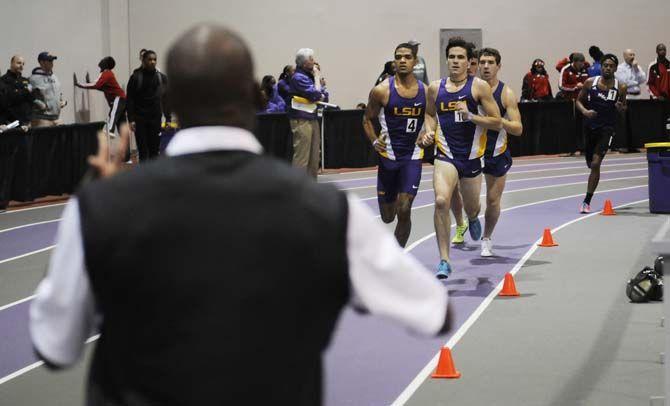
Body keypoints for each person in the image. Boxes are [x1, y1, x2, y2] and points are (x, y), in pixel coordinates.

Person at [29, 23, 451, 406]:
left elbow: (55, 345)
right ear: (257, 96)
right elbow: (433, 311)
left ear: (170, 102)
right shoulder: (326, 211)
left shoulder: (102, 206)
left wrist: (91, 205)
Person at [423, 37, 501, 279]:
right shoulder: (435, 88)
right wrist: (428, 131)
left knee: (472, 206)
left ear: (469, 62)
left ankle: (473, 216)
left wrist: (471, 116)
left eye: (461, 58)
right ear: (447, 59)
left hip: (472, 158)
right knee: (440, 201)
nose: (455, 61)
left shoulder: (479, 87)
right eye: (452, 57)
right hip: (445, 155)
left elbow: (497, 122)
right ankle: (444, 260)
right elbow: (429, 114)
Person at [362, 43, 429, 247]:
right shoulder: (381, 91)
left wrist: (428, 133)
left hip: (412, 157)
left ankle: (397, 258)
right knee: (388, 216)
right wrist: (374, 140)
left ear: (415, 62)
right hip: (388, 158)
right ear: (393, 61)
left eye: (407, 57)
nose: (402, 60)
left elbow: (433, 119)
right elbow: (367, 119)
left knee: (405, 207)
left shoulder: (426, 92)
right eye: (398, 57)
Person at [478, 48, 523, 257]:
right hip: (469, 152)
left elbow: (518, 128)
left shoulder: (506, 93)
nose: (486, 66)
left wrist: (498, 121)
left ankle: (486, 238)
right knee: (459, 196)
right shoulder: (469, 88)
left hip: (495, 152)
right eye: (483, 62)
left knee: (493, 201)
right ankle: (466, 220)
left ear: (498, 66)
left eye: (490, 62)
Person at [575, 54, 627, 213]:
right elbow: (578, 101)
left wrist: (620, 109)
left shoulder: (621, 87)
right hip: (590, 128)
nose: (608, 68)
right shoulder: (591, 83)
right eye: (605, 65)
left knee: (596, 164)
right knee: (590, 164)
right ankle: (592, 170)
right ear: (601, 66)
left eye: (611, 66)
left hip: (607, 129)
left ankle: (586, 201)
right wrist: (585, 111)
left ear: (615, 68)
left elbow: (624, 109)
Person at [288, 48, 328, 178]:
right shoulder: (298, 77)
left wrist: (320, 91)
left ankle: (310, 186)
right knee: (302, 156)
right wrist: (317, 77)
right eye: (311, 59)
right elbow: (317, 94)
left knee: (314, 156)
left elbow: (324, 96)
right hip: (301, 119)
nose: (314, 61)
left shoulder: (307, 77)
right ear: (304, 63)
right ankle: (296, 188)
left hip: (312, 117)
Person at [126, 50, 170, 162]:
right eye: (150, 59)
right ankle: (143, 177)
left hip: (155, 119)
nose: (152, 62)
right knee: (143, 151)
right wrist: (131, 119)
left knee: (154, 151)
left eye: (154, 59)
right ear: (144, 61)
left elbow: (166, 100)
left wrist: (168, 118)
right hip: (139, 119)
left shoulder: (162, 78)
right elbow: (130, 99)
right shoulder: (135, 77)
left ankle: (154, 177)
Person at [75, 56, 127, 134]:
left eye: (103, 59)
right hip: (121, 99)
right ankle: (125, 141)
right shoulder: (107, 74)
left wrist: (79, 84)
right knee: (120, 122)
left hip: (119, 98)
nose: (101, 60)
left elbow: (96, 85)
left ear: (106, 64)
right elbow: (100, 87)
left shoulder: (106, 73)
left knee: (113, 113)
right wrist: (88, 83)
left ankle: (110, 130)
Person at [29, 52, 66, 127]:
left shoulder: (54, 77)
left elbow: (58, 92)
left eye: (52, 61)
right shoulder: (34, 79)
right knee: (43, 138)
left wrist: (61, 101)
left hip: (56, 118)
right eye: (49, 61)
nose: (52, 63)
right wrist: (41, 104)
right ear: (41, 62)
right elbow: (28, 96)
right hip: (42, 119)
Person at [0, 55, 35, 129]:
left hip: (25, 124)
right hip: (10, 124)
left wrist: (29, 120)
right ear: (12, 63)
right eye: (19, 63)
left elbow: (31, 100)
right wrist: (26, 91)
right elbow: (10, 99)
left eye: (23, 64)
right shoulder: (3, 80)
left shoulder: (25, 81)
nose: (21, 66)